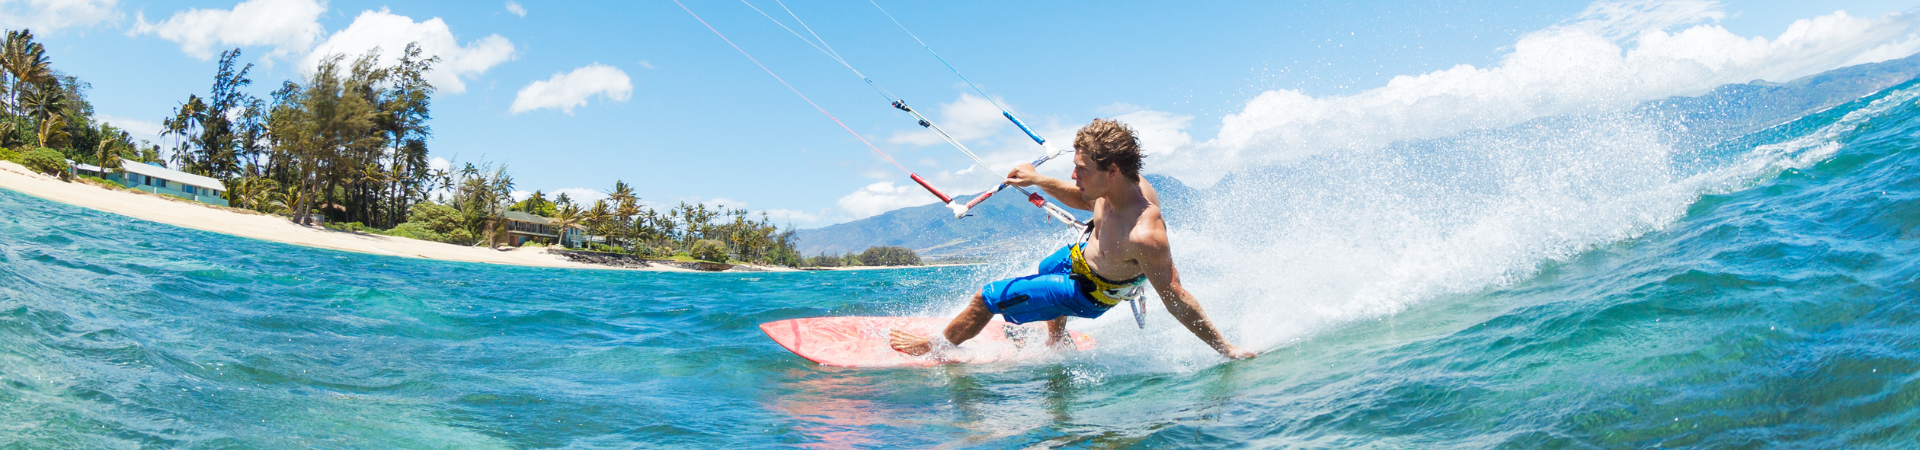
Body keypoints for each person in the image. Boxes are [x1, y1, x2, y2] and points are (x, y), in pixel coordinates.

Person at [889, 118, 1256, 360]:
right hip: (1082, 258)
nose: (1073, 172)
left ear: (1112, 170)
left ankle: (935, 349)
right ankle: (1055, 341)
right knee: (1048, 265)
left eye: (1081, 169)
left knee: (987, 298)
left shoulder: (1146, 234)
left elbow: (1176, 296)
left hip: (1090, 291)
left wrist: (1225, 349)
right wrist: (1037, 180)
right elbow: (1083, 198)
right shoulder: (1115, 186)